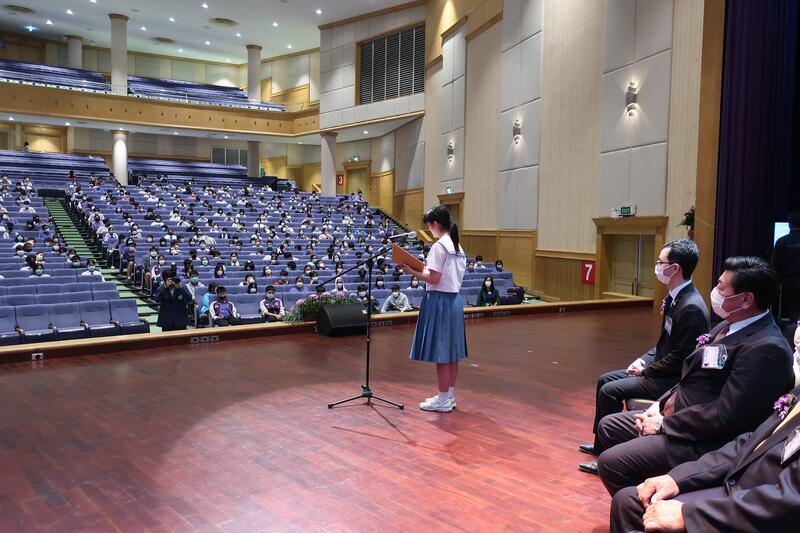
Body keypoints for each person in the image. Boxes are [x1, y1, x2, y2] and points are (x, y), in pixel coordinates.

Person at [595, 256, 794, 495]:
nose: (715, 292)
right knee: (609, 426)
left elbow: (727, 415)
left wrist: (664, 424)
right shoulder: (728, 325)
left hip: (705, 439)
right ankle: (646, 491)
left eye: (721, 287)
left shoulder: (767, 349)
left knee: (612, 463)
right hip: (679, 413)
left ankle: (644, 505)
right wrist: (659, 406)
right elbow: (691, 376)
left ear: (746, 300)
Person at [579, 240, 710, 473]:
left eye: (660, 262)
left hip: (669, 379)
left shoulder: (691, 306)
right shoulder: (676, 297)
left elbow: (680, 358)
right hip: (658, 368)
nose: (657, 266)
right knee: (604, 379)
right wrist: (642, 360)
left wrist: (646, 370)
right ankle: (600, 444)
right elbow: (663, 343)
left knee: (610, 390)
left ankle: (607, 457)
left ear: (675, 269)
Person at [610, 383, 800, 533]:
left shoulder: (767, 351)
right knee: (629, 501)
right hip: (737, 485)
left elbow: (790, 500)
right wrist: (677, 478)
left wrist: (689, 515)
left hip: (761, 511)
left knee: (616, 467)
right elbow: (751, 441)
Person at [396, 205, 467, 413]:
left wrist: (411, 271)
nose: (429, 229)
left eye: (429, 226)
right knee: (451, 353)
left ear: (435, 224)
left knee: (441, 353)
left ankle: (443, 400)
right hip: (453, 301)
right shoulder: (456, 246)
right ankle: (448, 396)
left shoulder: (439, 246)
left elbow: (434, 279)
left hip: (440, 301)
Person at [772, 211, 800, 321]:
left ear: (789, 224)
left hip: (788, 284)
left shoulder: (781, 241)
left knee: (793, 313)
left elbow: (775, 266)